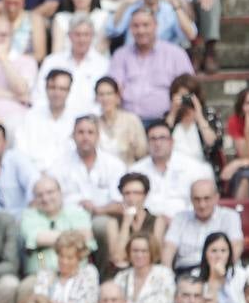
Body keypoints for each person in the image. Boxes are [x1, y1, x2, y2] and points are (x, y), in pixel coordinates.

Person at [107, 7, 193, 125]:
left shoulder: (176, 54)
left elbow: (188, 88)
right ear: (130, 28)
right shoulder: (120, 55)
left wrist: (173, 116)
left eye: (146, 25)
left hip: (166, 121)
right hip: (128, 122)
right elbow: (113, 87)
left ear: (156, 26)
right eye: (136, 26)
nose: (141, 30)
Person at [58, 115, 126, 257]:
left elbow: (121, 203)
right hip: (68, 217)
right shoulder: (60, 164)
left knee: (104, 225)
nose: (85, 137)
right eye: (80, 132)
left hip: (101, 216)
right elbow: (54, 199)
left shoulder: (114, 165)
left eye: (90, 132)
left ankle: (109, 271)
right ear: (73, 136)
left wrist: (97, 209)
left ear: (98, 136)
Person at [130, 122, 214, 221]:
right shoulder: (135, 170)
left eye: (162, 138)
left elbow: (204, 201)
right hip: (147, 225)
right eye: (153, 139)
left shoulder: (193, 167)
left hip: (186, 223)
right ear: (147, 142)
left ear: (172, 142)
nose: (157, 143)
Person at [18, 175, 93, 286]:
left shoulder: (77, 213)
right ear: (34, 198)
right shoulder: (28, 216)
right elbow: (37, 238)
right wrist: (73, 236)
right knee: (26, 287)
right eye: (39, 195)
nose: (45, 198)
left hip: (76, 273)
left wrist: (49, 238)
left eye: (50, 192)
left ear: (60, 193)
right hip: (39, 272)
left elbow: (86, 239)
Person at [34, 13, 107, 118]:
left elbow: (103, 102)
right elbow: (39, 95)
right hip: (53, 118)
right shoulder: (52, 61)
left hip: (89, 122)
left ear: (92, 36)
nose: (82, 40)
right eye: (77, 34)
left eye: (86, 35)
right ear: (69, 36)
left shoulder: (103, 64)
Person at [41, 230, 99, 303]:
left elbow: (88, 302)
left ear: (79, 258)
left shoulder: (89, 273)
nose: (64, 261)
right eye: (61, 256)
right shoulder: (46, 274)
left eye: (70, 257)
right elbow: (40, 300)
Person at [106, 172, 163, 270]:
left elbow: (155, 254)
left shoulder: (157, 220)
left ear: (145, 195)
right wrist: (126, 224)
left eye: (137, 193)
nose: (131, 198)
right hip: (122, 270)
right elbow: (117, 257)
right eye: (127, 193)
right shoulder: (114, 222)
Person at [95, 75, 147, 165]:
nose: (105, 98)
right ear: (97, 98)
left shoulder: (131, 120)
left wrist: (134, 146)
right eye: (101, 94)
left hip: (127, 171)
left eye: (109, 93)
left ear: (117, 96)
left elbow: (143, 154)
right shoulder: (94, 122)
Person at [195, 231, 247, 303]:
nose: (219, 256)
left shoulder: (240, 274)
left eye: (223, 251)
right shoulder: (195, 275)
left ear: (229, 253)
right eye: (214, 251)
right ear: (205, 254)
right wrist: (213, 277)